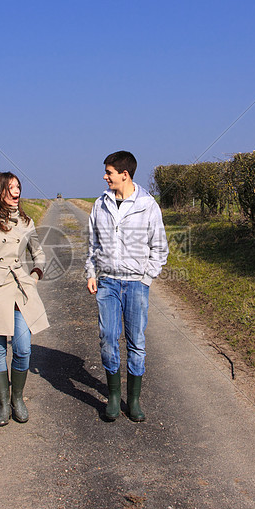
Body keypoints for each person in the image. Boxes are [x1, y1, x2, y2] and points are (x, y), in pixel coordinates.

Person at [85, 151, 169, 422]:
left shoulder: (147, 205)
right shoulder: (100, 204)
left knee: (136, 342)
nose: (104, 177)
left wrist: (146, 278)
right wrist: (91, 272)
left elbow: (160, 247)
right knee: (108, 338)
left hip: (136, 285)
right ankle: (112, 397)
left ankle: (133, 401)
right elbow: (92, 244)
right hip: (107, 282)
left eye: (109, 172)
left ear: (125, 174)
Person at [0, 172, 49, 426]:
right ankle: (3, 406)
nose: (16, 192)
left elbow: (39, 254)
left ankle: (18, 399)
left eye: (18, 187)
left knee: (23, 348)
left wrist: (35, 276)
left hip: (21, 291)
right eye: (11, 187)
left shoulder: (26, 222)